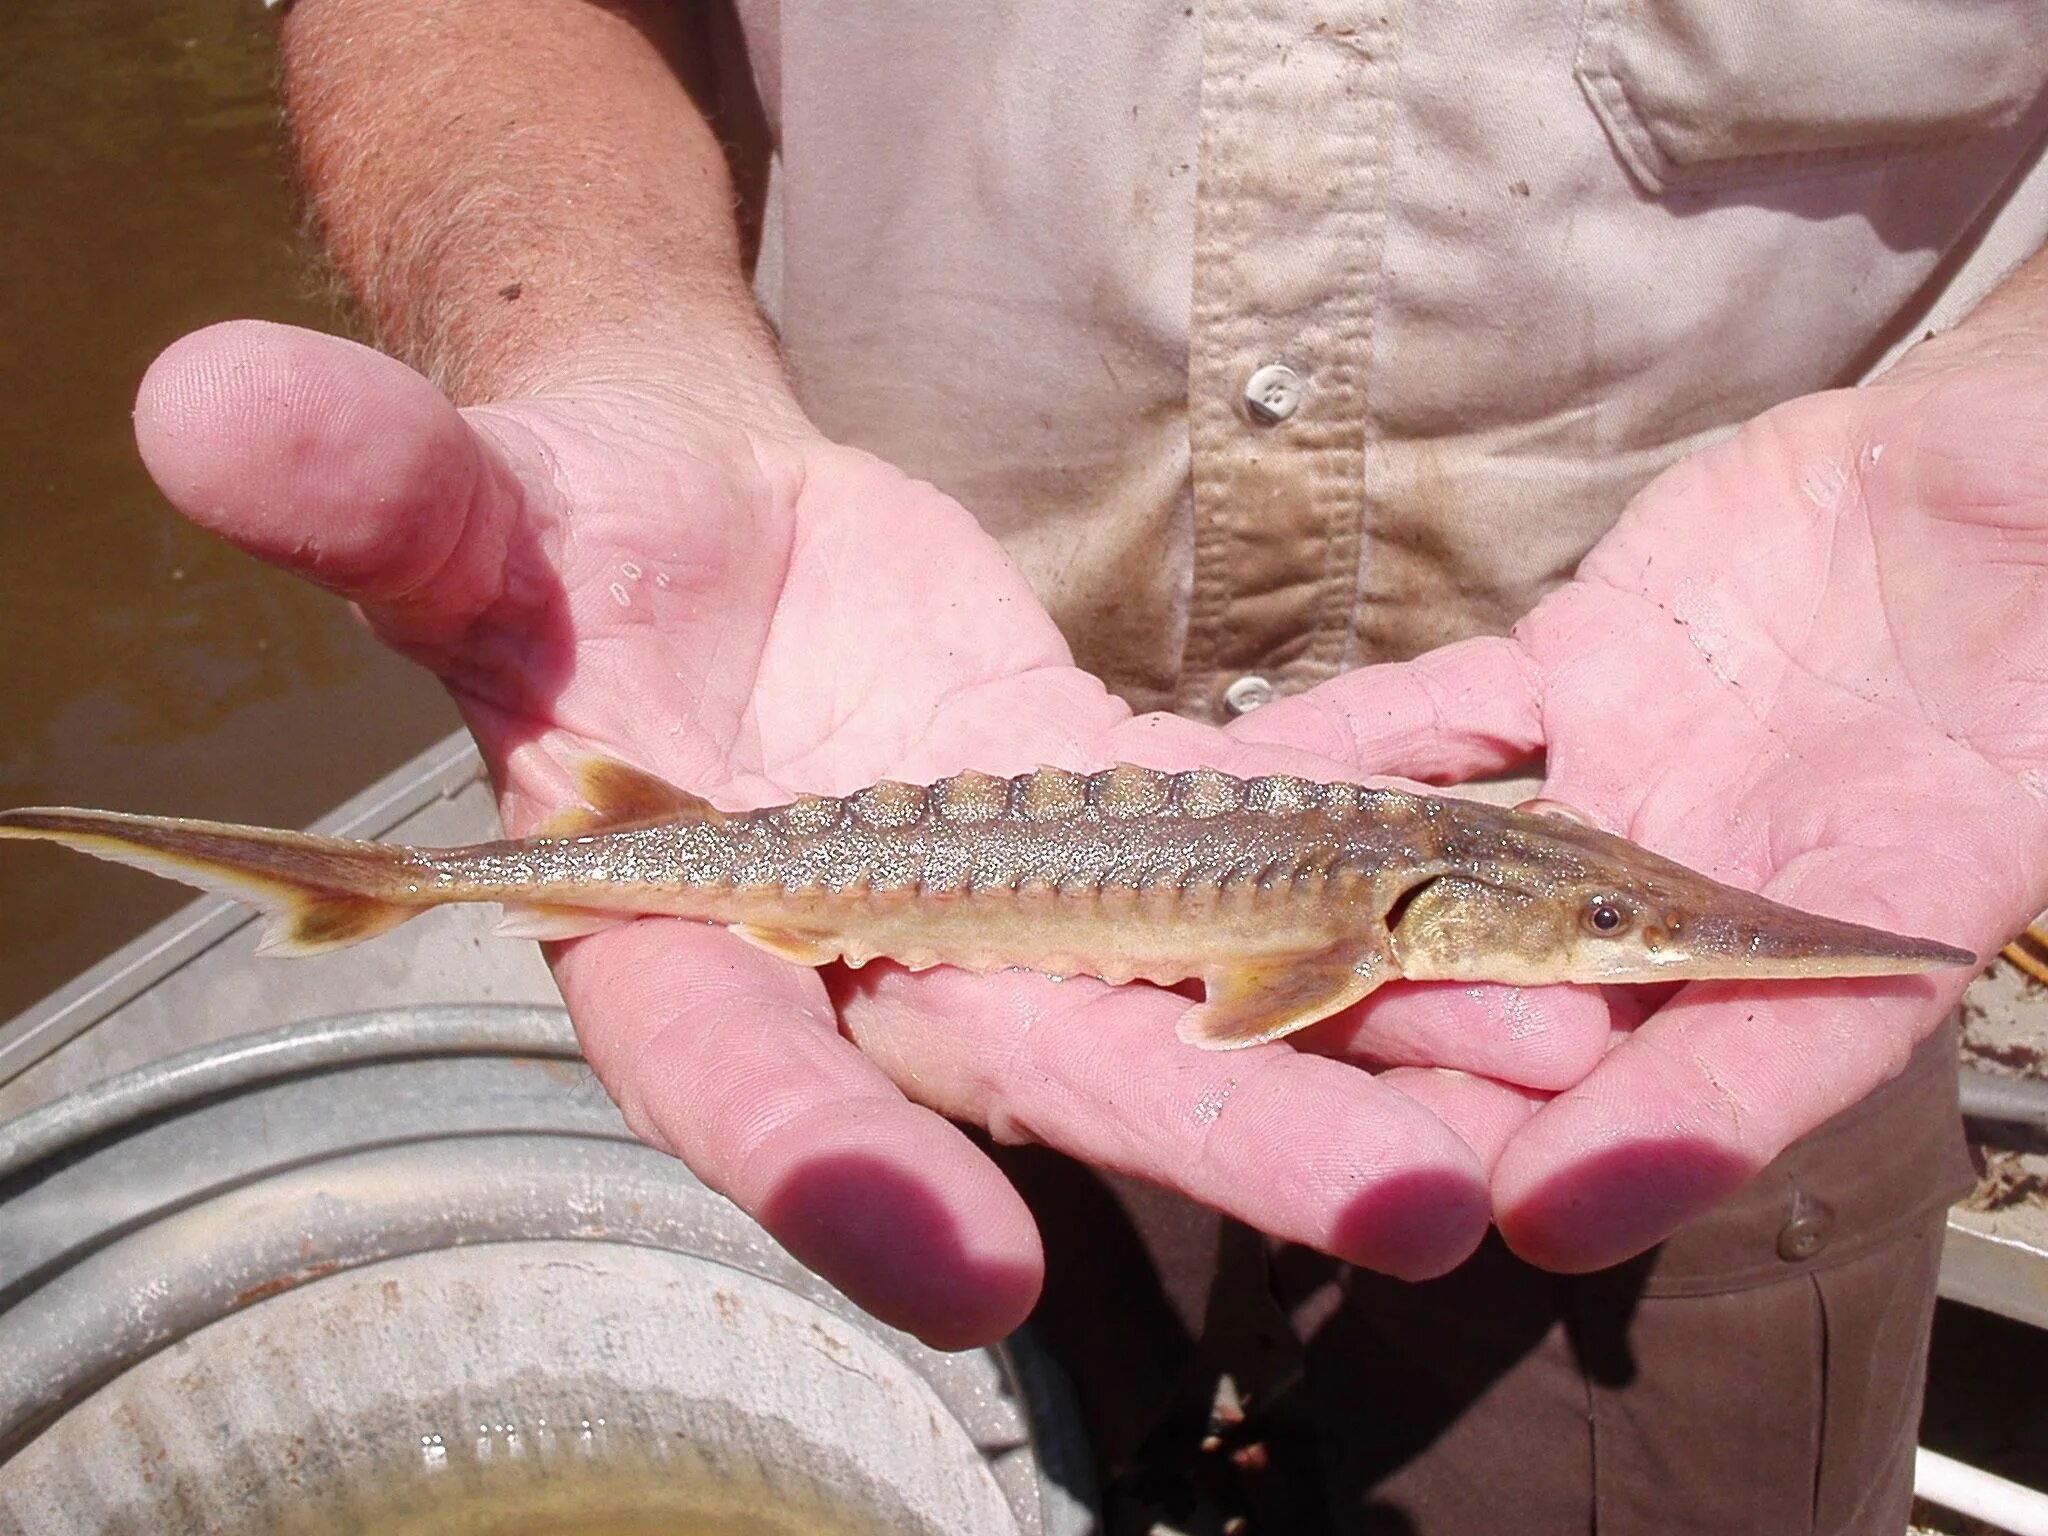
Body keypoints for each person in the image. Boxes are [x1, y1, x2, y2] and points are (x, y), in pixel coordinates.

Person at [136, 2, 2048, 1530]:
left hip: (1777, 751)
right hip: (855, 695)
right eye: (1616, 921)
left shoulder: (1475, 891)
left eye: (1622, 920)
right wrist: (617, 350)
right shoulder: (1352, 926)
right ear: (1433, 911)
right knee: (1032, 1400)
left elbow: (1589, 938)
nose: (1637, 934)